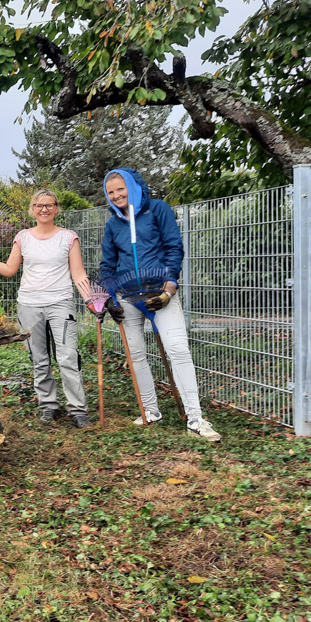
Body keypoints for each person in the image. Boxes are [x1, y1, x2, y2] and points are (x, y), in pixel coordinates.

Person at [99, 168, 221, 442]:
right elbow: (107, 264)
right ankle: (149, 410)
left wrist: (169, 288)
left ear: (133, 186)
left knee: (178, 349)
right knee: (136, 355)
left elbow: (174, 248)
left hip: (160, 295)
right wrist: (109, 297)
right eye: (111, 192)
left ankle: (195, 417)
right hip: (128, 298)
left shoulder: (158, 209)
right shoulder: (112, 225)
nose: (116, 195)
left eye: (121, 188)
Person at [0, 189, 95, 428]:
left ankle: (78, 409)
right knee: (39, 358)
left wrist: (92, 300)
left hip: (60, 302)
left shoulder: (68, 237)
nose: (44, 209)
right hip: (29, 304)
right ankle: (48, 405)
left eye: (49, 205)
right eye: (39, 205)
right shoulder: (23, 237)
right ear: (33, 209)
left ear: (57, 209)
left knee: (68, 355)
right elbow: (10, 269)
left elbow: (78, 273)